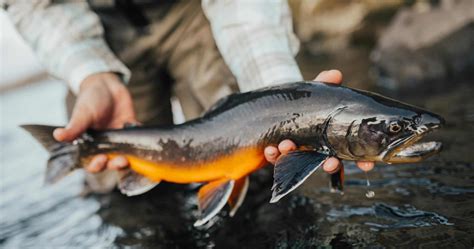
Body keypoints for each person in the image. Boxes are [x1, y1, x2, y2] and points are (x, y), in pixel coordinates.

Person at [5, 0, 373, 191]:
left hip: (193, 11)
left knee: (256, 167)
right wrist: (92, 76)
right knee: (112, 186)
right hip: (91, 24)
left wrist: (282, 92)